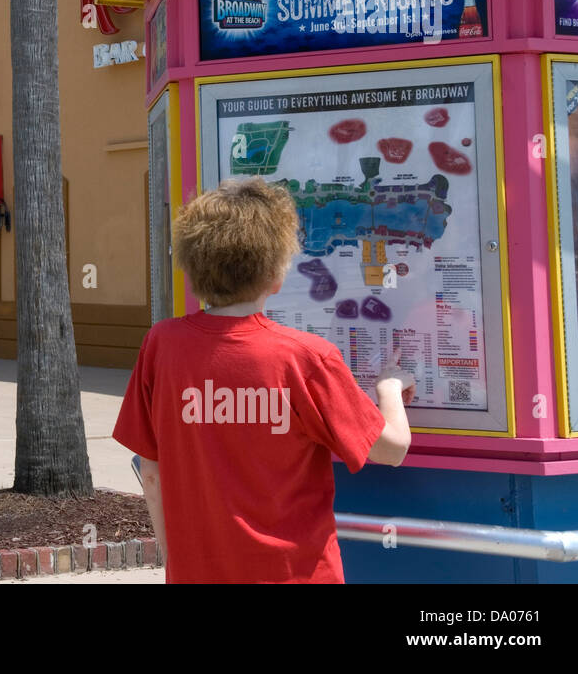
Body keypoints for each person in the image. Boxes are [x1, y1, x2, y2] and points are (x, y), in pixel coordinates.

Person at [112, 177, 414, 584]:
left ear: (193, 268)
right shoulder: (306, 357)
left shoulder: (160, 345)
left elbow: (151, 473)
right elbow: (392, 449)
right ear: (275, 274)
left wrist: (177, 563)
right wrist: (389, 387)